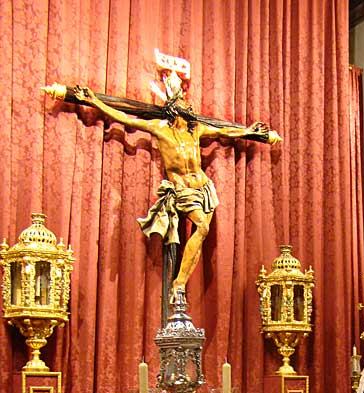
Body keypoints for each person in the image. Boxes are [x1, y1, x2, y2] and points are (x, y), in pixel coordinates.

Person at [67, 77, 281, 302]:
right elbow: (124, 117)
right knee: (202, 227)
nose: (189, 105)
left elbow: (224, 132)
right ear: (172, 106)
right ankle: (178, 285)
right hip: (183, 190)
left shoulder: (195, 130)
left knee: (201, 234)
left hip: (204, 188)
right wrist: (94, 101)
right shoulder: (160, 129)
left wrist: (247, 132)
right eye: (183, 101)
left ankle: (181, 285)